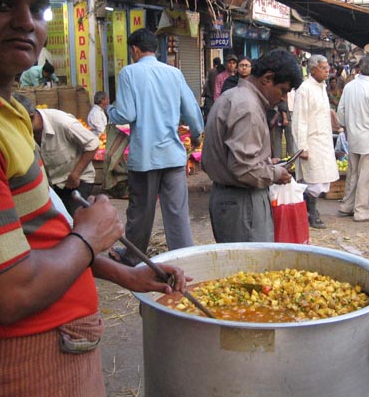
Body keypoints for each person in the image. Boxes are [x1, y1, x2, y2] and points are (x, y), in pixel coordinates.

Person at [0, 0, 187, 397]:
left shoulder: (1, 104)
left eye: (37, 7)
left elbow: (35, 237)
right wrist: (90, 236)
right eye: (0, 3)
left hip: (53, 348)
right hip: (13, 366)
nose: (26, 22)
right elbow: (8, 293)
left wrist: (125, 272)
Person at [107, 28, 204, 266]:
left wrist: (110, 111)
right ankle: (184, 258)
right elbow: (191, 110)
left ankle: (133, 257)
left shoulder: (129, 72)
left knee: (141, 211)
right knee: (177, 213)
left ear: (135, 50)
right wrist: (196, 134)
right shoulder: (174, 73)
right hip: (173, 154)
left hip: (145, 156)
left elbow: (126, 113)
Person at [202, 49, 302, 242]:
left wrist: (264, 162)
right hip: (243, 203)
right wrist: (274, 174)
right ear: (267, 78)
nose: (283, 98)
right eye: (283, 90)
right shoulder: (248, 108)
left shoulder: (233, 96)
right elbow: (243, 169)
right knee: (250, 267)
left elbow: (238, 157)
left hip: (231, 199)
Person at [15, 94, 100, 216]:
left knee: (74, 220)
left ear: (31, 117)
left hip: (77, 180)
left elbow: (93, 143)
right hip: (53, 183)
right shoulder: (23, 132)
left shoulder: (63, 122)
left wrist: (76, 173)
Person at [336, 54, 369, 222]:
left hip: (353, 137)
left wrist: (346, 128)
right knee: (366, 176)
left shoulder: (350, 86)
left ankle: (347, 205)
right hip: (368, 139)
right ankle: (361, 211)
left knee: (353, 174)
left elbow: (341, 111)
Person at [292, 54, 339, 229]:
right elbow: (299, 121)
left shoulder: (321, 88)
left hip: (323, 141)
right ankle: (311, 214)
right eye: (323, 68)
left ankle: (310, 211)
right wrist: (302, 147)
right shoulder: (305, 89)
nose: (327, 71)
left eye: (328, 68)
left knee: (322, 180)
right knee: (313, 181)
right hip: (311, 143)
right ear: (312, 69)